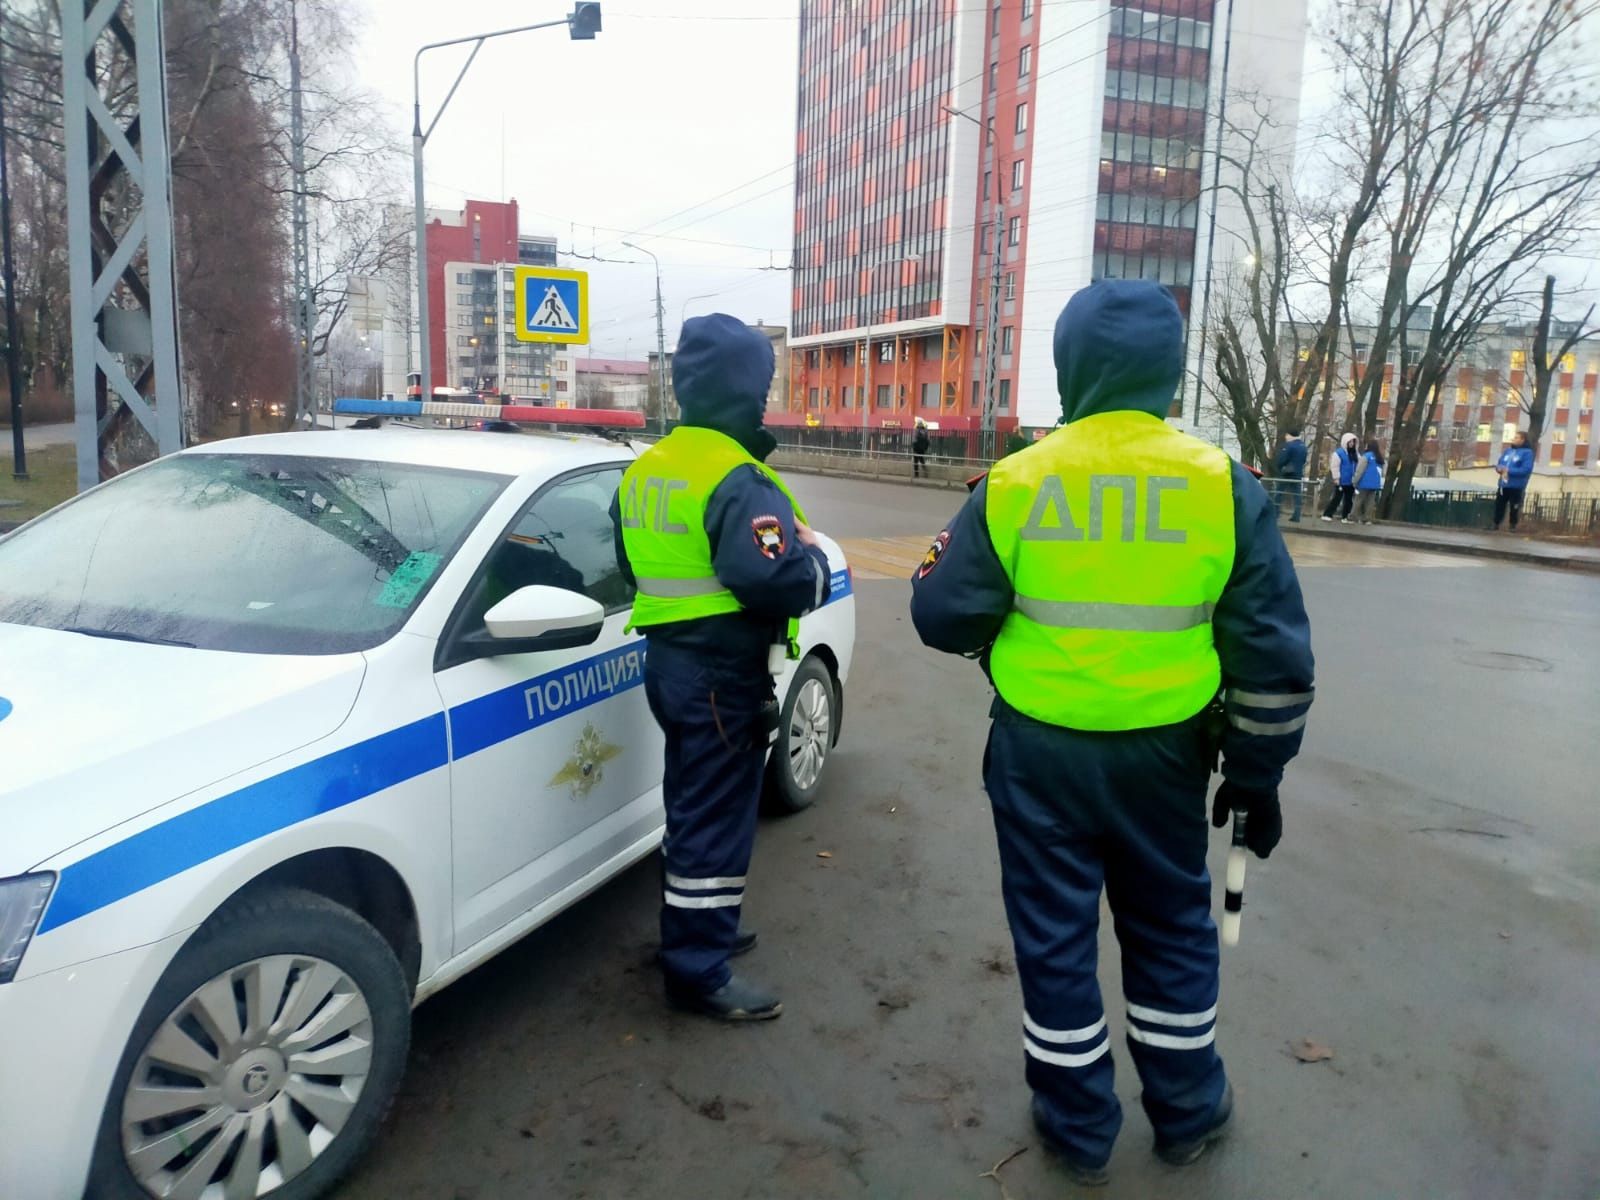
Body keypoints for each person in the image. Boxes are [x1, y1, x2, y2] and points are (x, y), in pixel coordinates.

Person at [909, 280, 1314, 1185]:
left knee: (1052, 938)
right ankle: (1187, 1111)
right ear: (1171, 375)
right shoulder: (1225, 489)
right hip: (1166, 759)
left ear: (1068, 370)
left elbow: (940, 615)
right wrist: (1255, 778)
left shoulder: (1016, 482)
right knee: (1171, 928)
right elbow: (1274, 659)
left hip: (1037, 755)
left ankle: (1077, 1124)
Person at [611, 313, 832, 1022]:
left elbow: (627, 564)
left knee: (690, 804)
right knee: (717, 816)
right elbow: (771, 579)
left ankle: (698, 930)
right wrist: (815, 563)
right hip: (720, 675)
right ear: (745, 389)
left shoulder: (648, 468)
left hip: (670, 666)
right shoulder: (738, 477)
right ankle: (697, 969)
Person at [1494, 431, 1534, 531]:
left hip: (1516, 485)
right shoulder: (1508, 451)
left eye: (1516, 438)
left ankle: (1512, 525)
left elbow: (1526, 469)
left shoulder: (1527, 453)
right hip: (1504, 483)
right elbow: (1500, 463)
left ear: (1522, 440)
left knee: (1514, 505)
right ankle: (1495, 523)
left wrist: (1510, 471)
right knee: (1499, 504)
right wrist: (1499, 468)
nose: (1514, 439)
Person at [1320, 432, 1359, 523]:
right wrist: (1336, 478)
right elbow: (1335, 466)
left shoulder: (1355, 454)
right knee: (1337, 498)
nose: (1352, 444)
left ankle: (1345, 516)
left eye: (1353, 442)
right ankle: (1327, 514)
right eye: (1350, 442)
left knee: (1349, 500)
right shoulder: (1339, 453)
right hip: (1341, 480)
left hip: (1351, 481)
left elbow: (1358, 465)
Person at [1274, 427, 1308, 522]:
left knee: (1279, 493)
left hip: (1286, 473)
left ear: (1289, 435)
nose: (1285, 436)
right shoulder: (1303, 446)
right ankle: (1296, 516)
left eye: (1286, 435)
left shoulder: (1289, 446)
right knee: (1297, 495)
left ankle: (1276, 514)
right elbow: (1304, 460)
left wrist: (1279, 466)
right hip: (1298, 473)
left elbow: (1282, 459)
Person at [1352, 438, 1384, 524]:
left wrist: (1354, 481)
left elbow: (1360, 470)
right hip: (1375, 484)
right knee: (1370, 501)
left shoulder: (1366, 456)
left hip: (1364, 482)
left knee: (1359, 499)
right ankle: (1367, 518)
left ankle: (1353, 516)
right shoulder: (1379, 458)